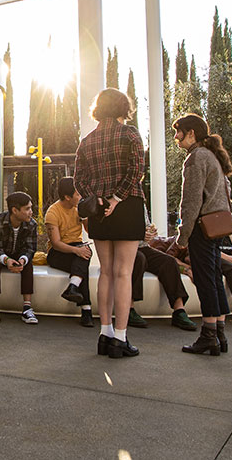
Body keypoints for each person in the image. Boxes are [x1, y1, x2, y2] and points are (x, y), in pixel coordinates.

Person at [73, 88, 144, 358]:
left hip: (98, 210)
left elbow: (79, 179)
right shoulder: (130, 134)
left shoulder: (87, 141)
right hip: (127, 205)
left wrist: (99, 199)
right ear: (123, 107)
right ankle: (121, 338)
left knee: (105, 272)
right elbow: (136, 171)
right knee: (123, 273)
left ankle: (104, 335)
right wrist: (116, 199)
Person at [173, 113, 231, 356]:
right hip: (218, 226)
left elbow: (192, 201)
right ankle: (219, 333)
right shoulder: (213, 156)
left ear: (191, 133)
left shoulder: (196, 158)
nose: (176, 137)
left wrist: (182, 237)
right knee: (215, 277)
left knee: (205, 280)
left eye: (178, 132)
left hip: (201, 227)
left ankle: (208, 336)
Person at [0, 192, 39, 324]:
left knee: (28, 265)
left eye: (31, 208)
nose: (31, 212)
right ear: (15, 210)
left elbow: (30, 248)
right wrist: (6, 260)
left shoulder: (32, 224)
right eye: (27, 209)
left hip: (18, 254)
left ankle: (27, 308)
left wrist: (23, 260)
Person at [44, 177, 94, 326]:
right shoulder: (53, 212)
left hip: (76, 246)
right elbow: (56, 243)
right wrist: (76, 251)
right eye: (78, 194)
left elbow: (90, 232)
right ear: (67, 197)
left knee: (84, 254)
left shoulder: (79, 208)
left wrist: (86, 216)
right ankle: (86, 311)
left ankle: (74, 288)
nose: (81, 197)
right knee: (82, 260)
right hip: (57, 252)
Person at [135, 222, 198, 331]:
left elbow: (147, 225)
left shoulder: (141, 206)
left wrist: (150, 232)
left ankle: (179, 310)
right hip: (125, 248)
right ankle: (130, 309)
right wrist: (138, 234)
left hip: (143, 246)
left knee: (169, 261)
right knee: (139, 259)